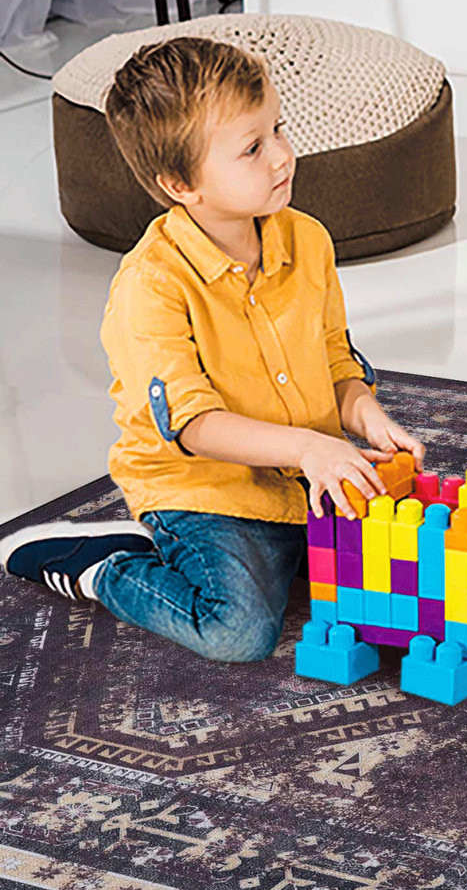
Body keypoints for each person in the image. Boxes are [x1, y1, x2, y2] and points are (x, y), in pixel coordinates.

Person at [0, 35, 424, 661]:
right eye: (253, 149)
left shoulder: (307, 240)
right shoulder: (152, 285)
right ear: (179, 183)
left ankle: (285, 545)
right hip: (203, 489)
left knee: (401, 569)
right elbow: (194, 427)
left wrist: (369, 419)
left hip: (295, 473)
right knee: (240, 631)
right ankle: (105, 562)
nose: (282, 157)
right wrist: (311, 447)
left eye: (278, 130)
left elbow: (337, 361)